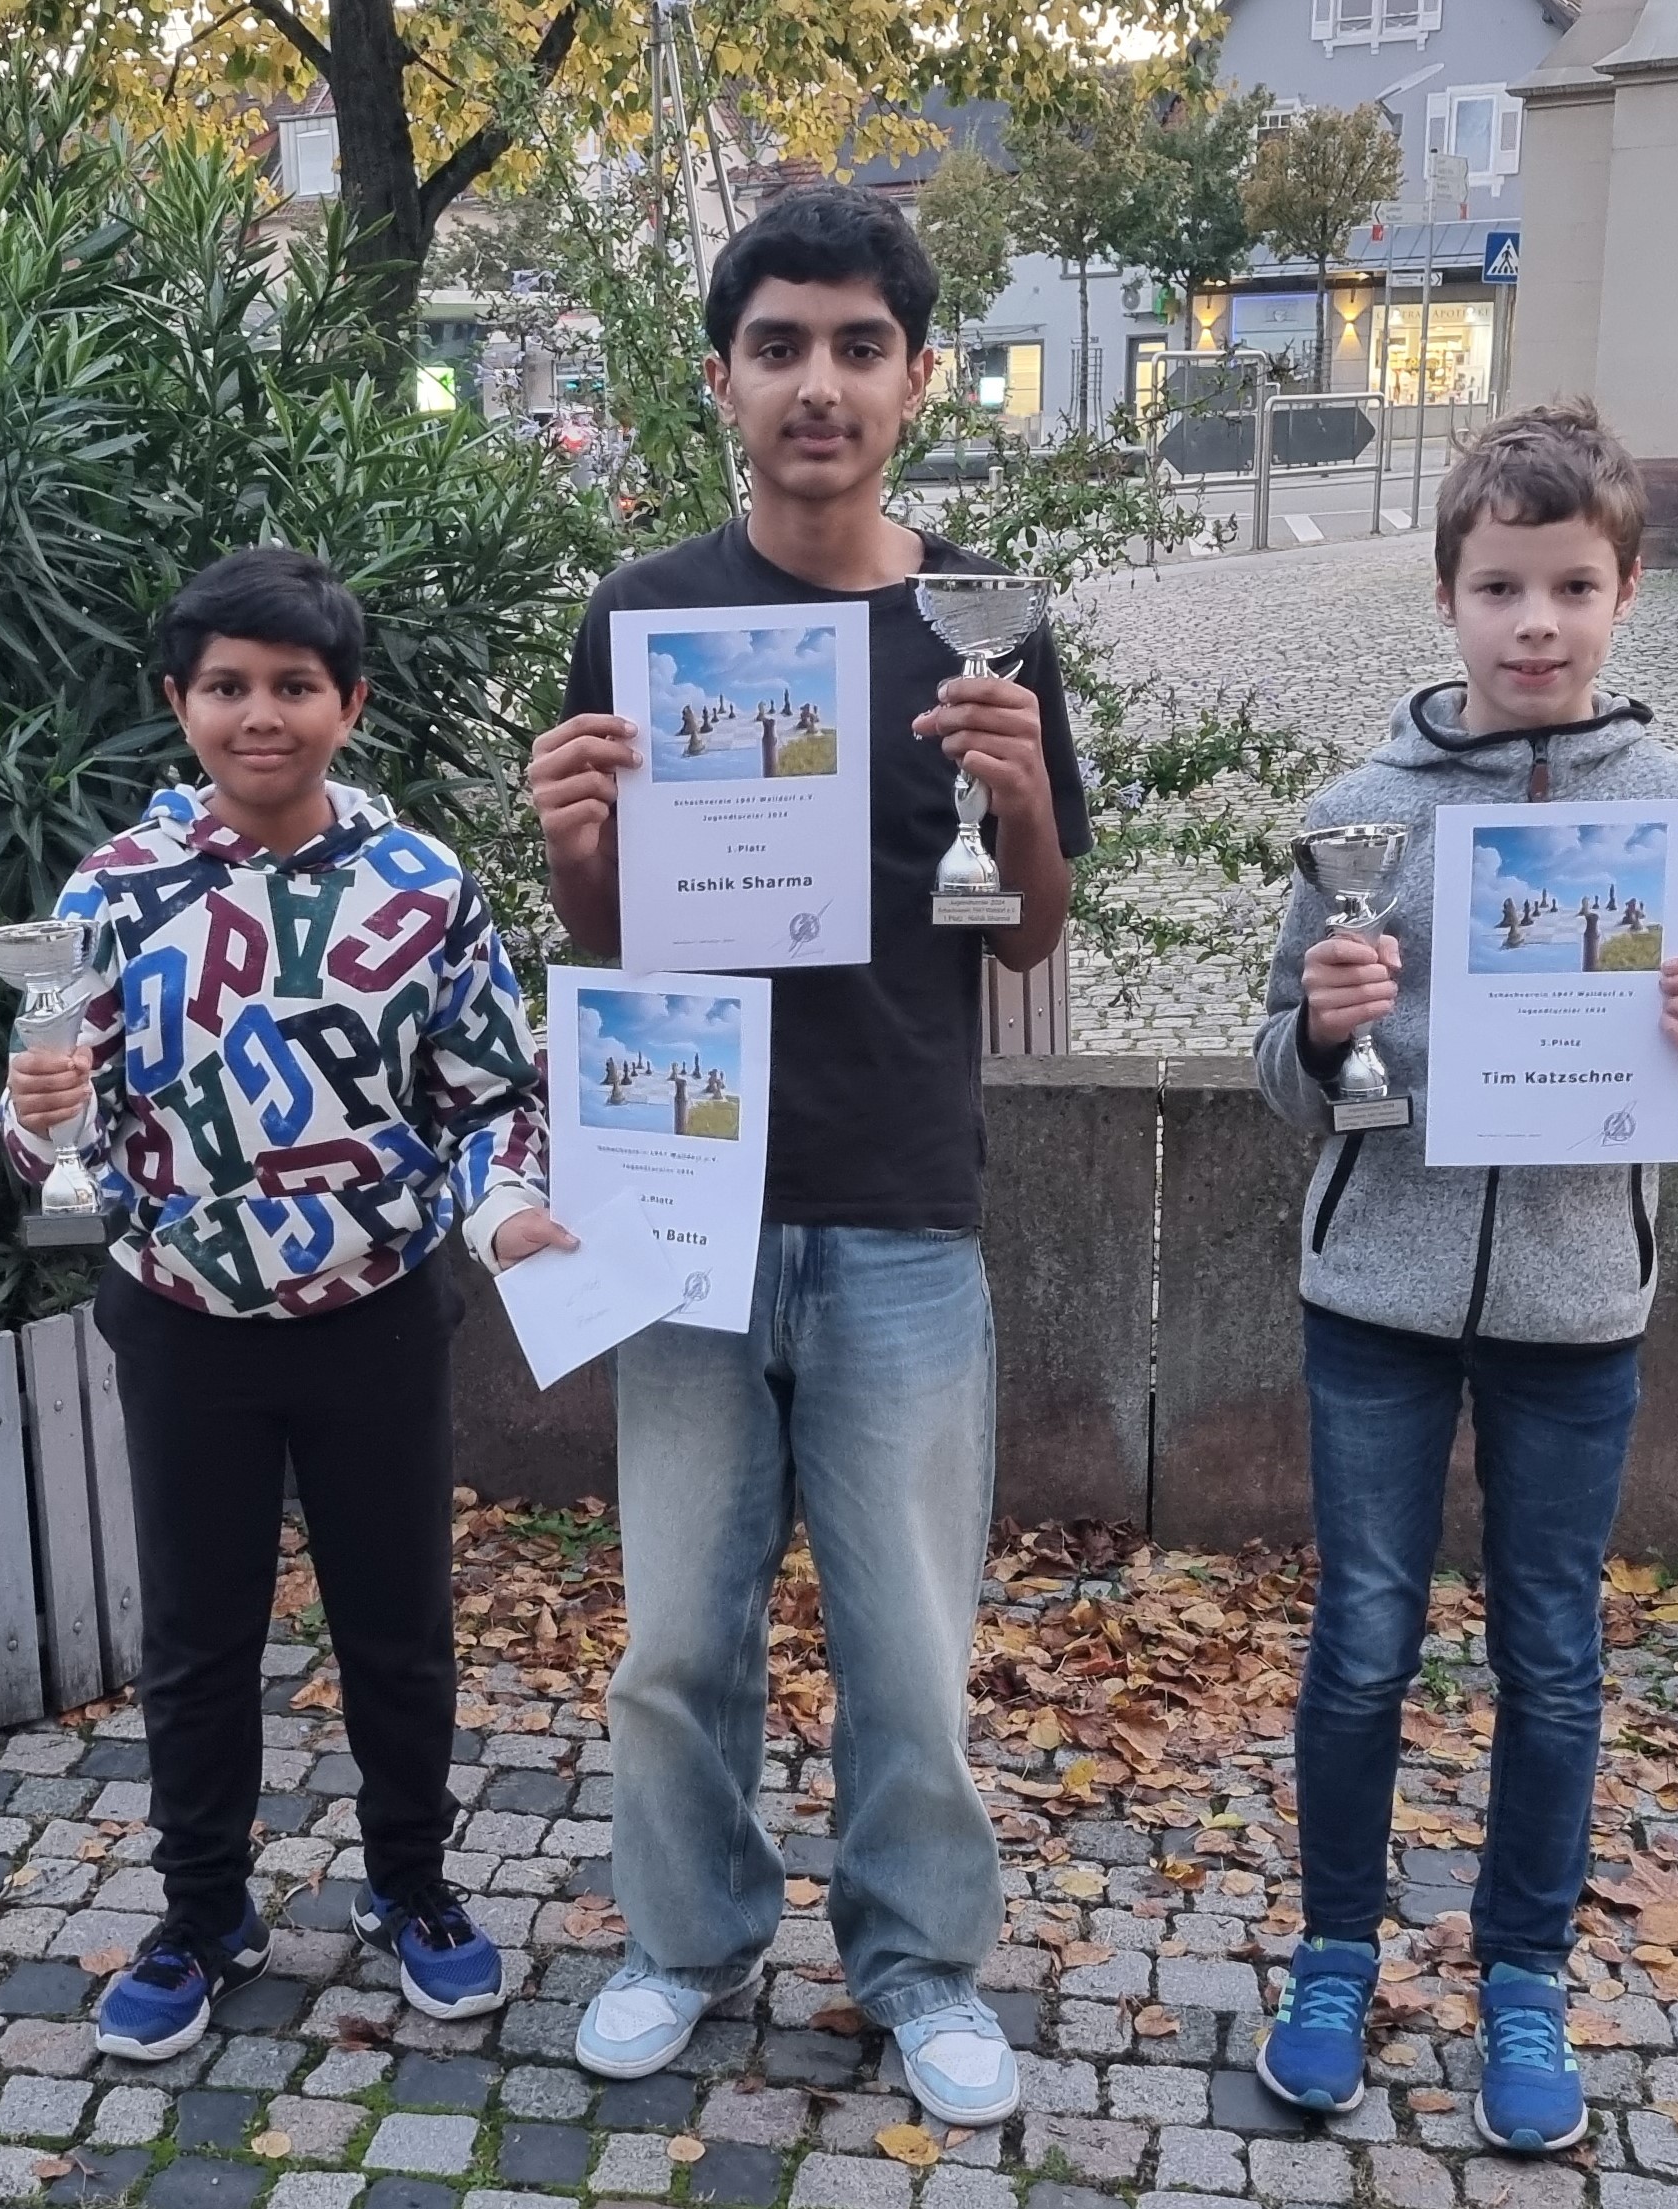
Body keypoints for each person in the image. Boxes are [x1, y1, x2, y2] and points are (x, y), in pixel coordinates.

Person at [523, 184, 1092, 2128]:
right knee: (676, 1636)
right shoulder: (643, 617)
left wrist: (1023, 798)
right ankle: (687, 1939)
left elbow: (1025, 937)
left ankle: (921, 1963)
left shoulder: (984, 622)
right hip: (682, 1196)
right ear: (723, 380)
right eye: (780, 346)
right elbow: (612, 940)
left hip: (903, 1195)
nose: (819, 384)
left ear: (917, 379)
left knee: (910, 1642)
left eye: (859, 346)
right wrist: (573, 841)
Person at [1249, 400, 1678, 2153]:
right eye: (1499, 588)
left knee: (1552, 1656)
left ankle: (1524, 1975)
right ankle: (1335, 1952)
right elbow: (1280, 1069)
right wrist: (1326, 1034)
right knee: (1360, 1643)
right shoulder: (1358, 813)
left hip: (1576, 1309)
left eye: (1571, 587)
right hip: (1374, 1302)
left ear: (1627, 592)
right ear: (1447, 598)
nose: (1535, 623)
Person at [0, 547, 573, 2062]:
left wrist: (502, 1208)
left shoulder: (423, 886)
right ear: (179, 702)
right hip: (180, 1313)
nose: (263, 715)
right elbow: (50, 1122)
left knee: (399, 1625)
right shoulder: (111, 892)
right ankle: (202, 1914)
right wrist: (40, 1113)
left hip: (374, 1309)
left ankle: (413, 1887)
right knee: (198, 1636)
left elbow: (490, 1091)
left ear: (349, 703)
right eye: (229, 687)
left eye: (295, 686)